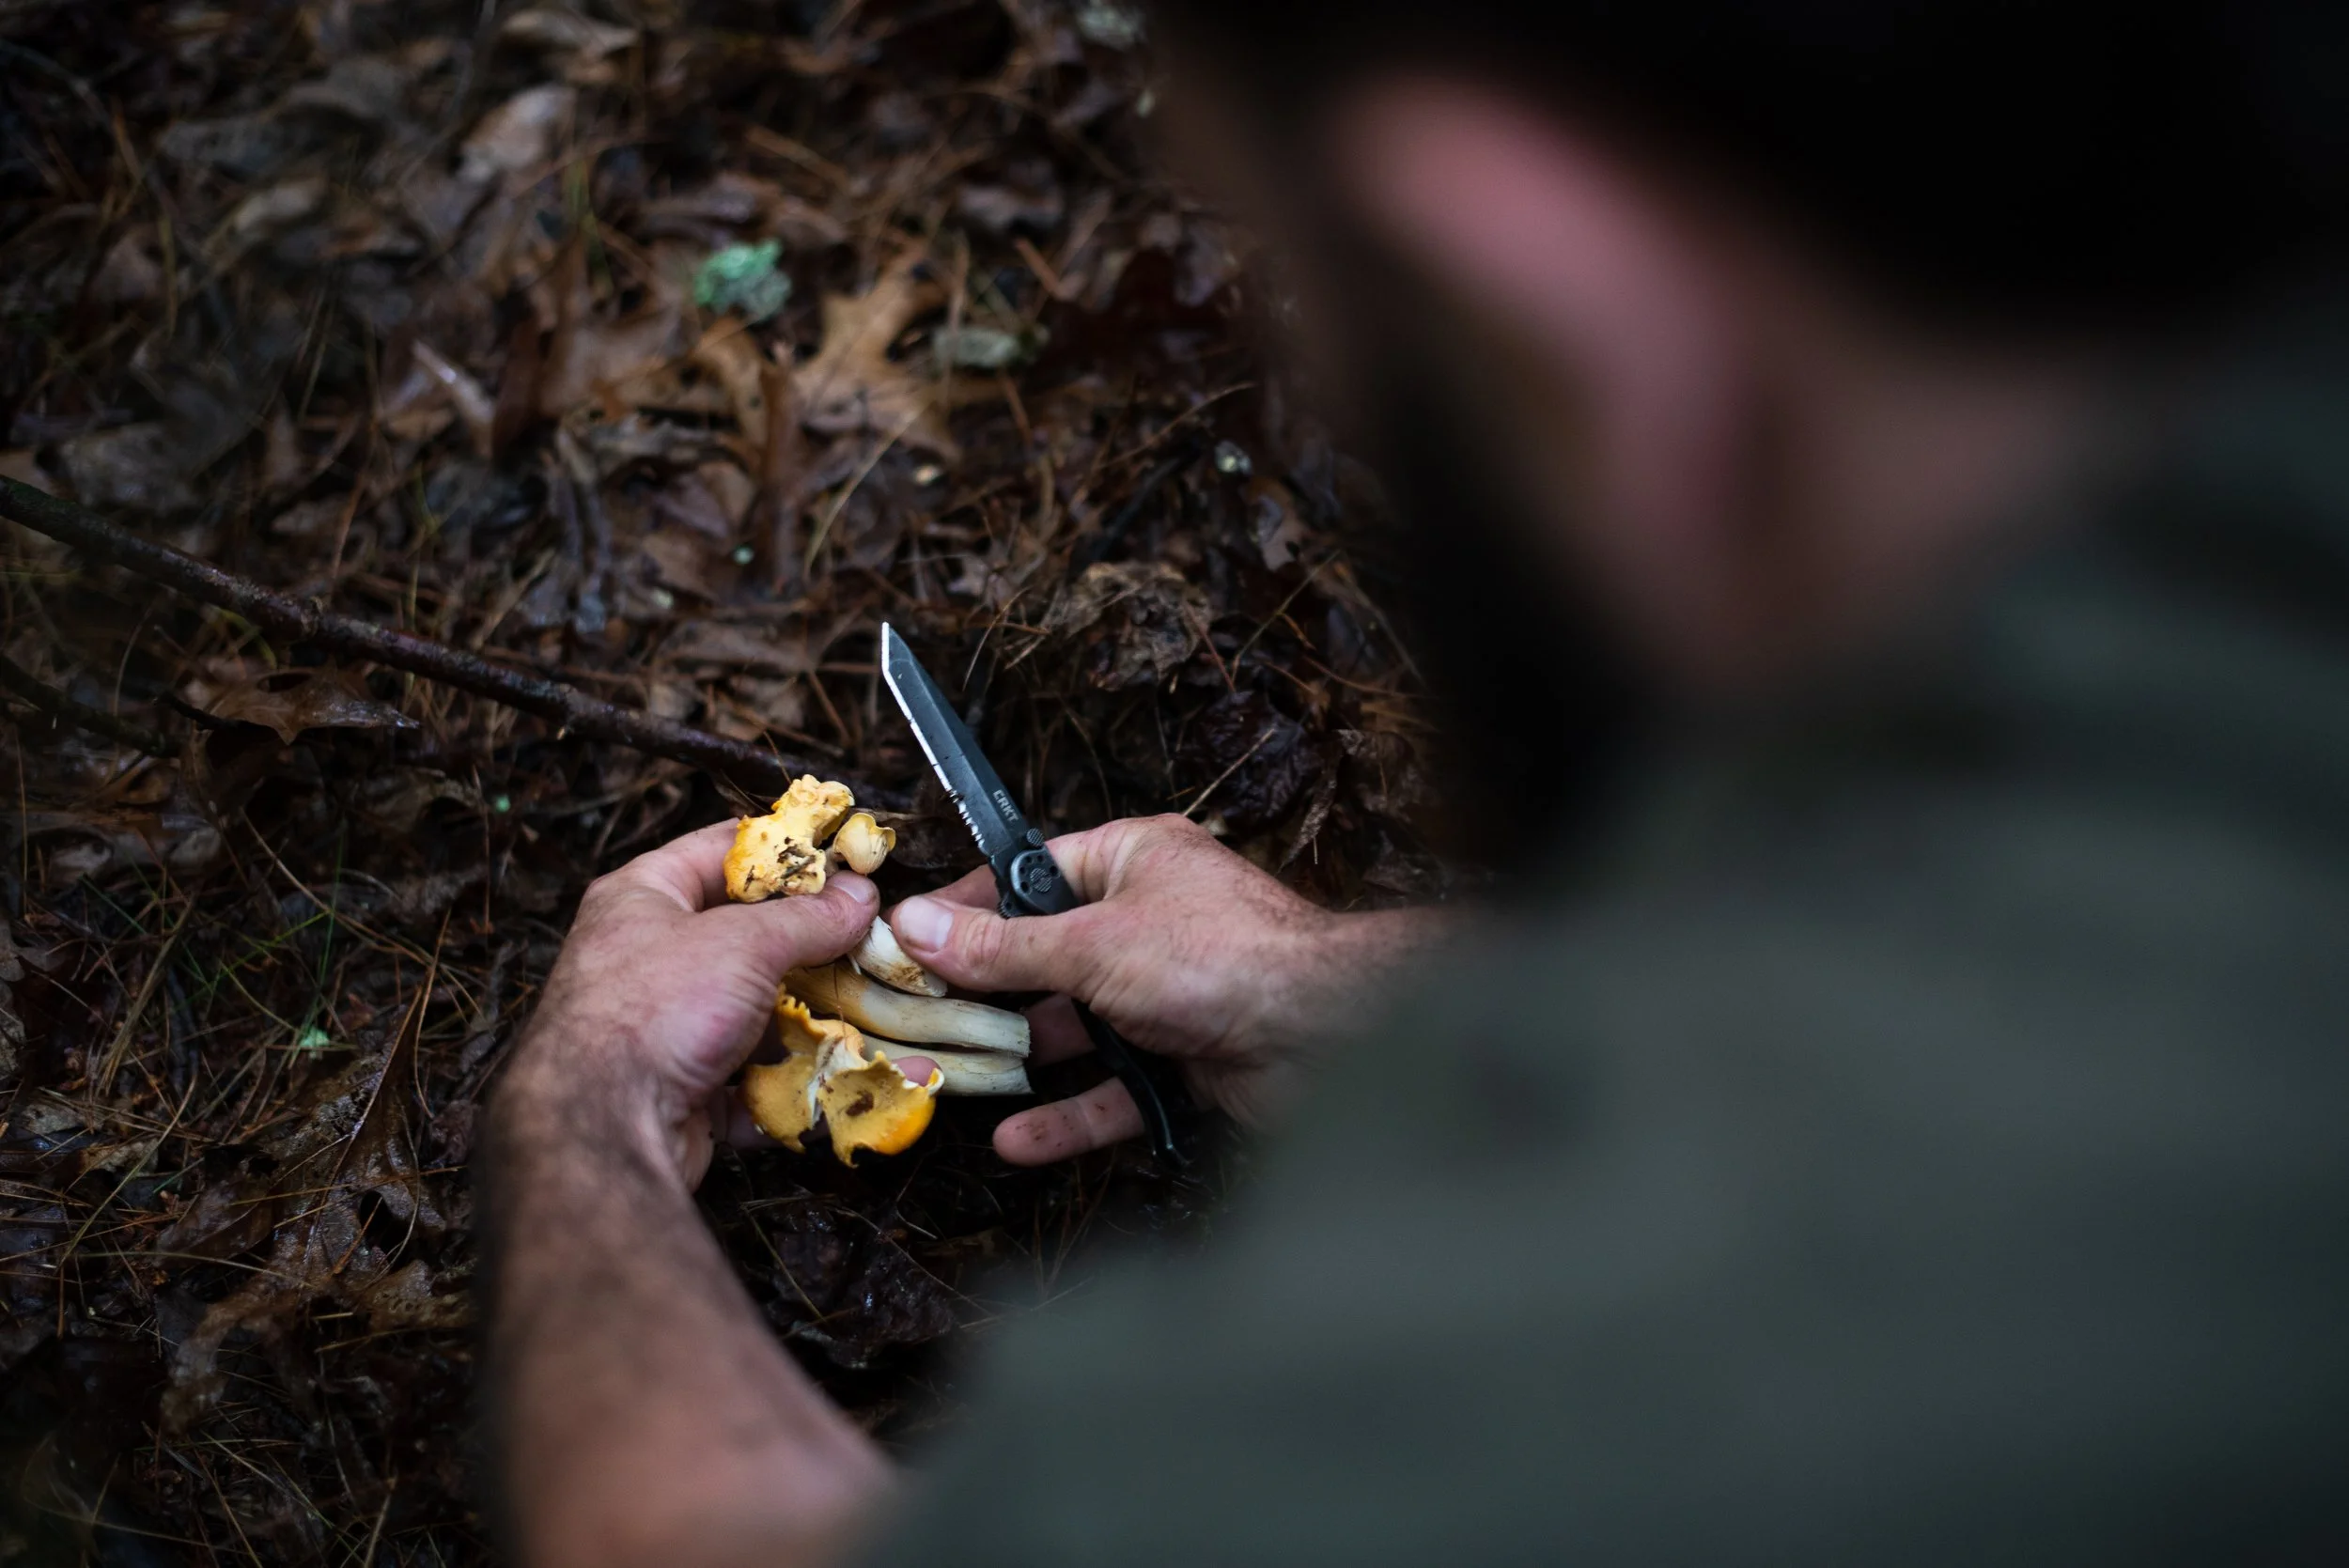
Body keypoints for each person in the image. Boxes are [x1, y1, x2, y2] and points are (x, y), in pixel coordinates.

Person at [483, 2, 2349, 1563]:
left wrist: (589, 1119)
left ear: (1560, 319)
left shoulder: (1636, 1354)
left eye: (1358, 359)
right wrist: (1337, 993)